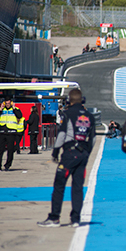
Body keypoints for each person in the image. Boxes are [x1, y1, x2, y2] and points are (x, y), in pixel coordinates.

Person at [38, 89, 95, 228]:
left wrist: (55, 152)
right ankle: (75, 219)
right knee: (77, 187)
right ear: (82, 100)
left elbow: (62, 134)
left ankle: (54, 217)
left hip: (70, 153)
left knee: (59, 185)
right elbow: (92, 139)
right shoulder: (89, 116)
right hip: (83, 154)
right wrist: (87, 153)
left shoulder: (68, 114)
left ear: (69, 101)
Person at [0, 96, 22, 171]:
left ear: (11, 103)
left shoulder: (15, 109)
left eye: (9, 103)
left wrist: (14, 108)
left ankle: (7, 165)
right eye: (6, 103)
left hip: (11, 133)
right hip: (2, 132)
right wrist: (0, 109)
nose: (7, 104)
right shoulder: (1, 109)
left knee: (10, 150)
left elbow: (19, 116)